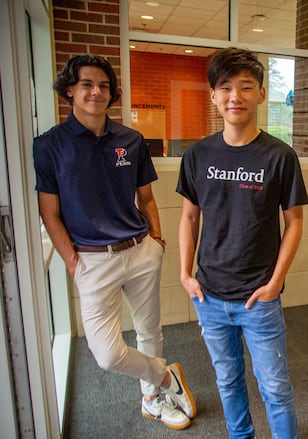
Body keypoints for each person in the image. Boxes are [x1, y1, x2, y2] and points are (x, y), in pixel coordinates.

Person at [33, 54, 196, 430]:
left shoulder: (131, 140)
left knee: (148, 331)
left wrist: (156, 240)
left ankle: (152, 401)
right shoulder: (49, 146)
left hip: (140, 250)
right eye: (87, 84)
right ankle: (166, 378)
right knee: (106, 354)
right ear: (70, 90)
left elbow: (147, 198)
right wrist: (73, 262)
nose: (96, 92)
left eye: (104, 86)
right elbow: (49, 214)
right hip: (91, 261)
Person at [177, 47, 308, 438]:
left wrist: (275, 283)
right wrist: (185, 274)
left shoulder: (280, 156)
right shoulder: (198, 155)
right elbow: (189, 216)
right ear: (214, 96)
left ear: (261, 95)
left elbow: (295, 223)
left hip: (259, 298)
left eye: (246, 87)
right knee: (228, 382)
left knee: (275, 388)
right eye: (226, 87)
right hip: (209, 296)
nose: (236, 96)